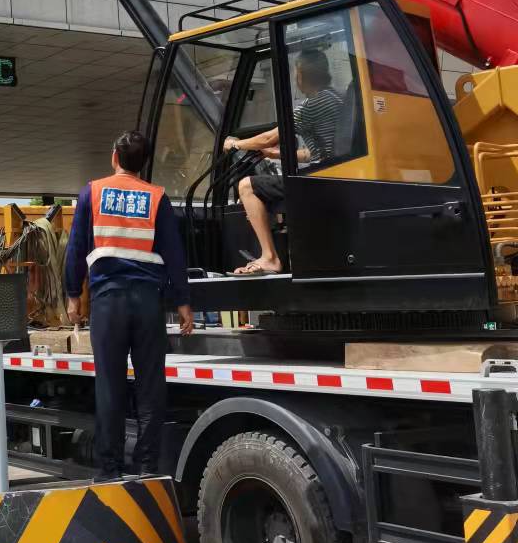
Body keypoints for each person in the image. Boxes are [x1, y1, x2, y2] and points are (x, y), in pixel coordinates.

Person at [64, 129, 194, 482]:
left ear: (114, 157)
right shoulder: (157, 198)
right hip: (149, 302)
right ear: (144, 163)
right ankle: (148, 465)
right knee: (151, 386)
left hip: (108, 302)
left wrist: (73, 295)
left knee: (111, 385)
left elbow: (76, 249)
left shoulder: (92, 192)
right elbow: (174, 254)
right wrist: (183, 303)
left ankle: (110, 469)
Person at [223, 48, 342, 276]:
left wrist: (236, 145)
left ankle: (269, 257)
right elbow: (312, 154)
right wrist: (275, 155)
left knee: (247, 186)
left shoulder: (312, 105)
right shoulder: (336, 98)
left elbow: (268, 137)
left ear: (300, 75)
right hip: (331, 174)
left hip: (319, 182)